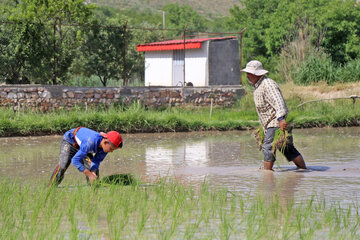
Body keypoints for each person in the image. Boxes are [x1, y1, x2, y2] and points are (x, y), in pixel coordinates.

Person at [241, 60, 307, 171]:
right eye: (247, 73)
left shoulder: (268, 84)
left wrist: (281, 119)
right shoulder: (258, 86)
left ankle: (267, 174)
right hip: (269, 123)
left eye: (250, 73)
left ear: (258, 74)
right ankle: (303, 170)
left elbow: (278, 101)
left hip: (275, 121)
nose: (247, 76)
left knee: (268, 146)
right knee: (286, 148)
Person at [49, 127, 123, 186]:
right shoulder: (90, 142)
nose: (111, 151)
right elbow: (75, 160)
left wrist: (93, 172)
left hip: (84, 148)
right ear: (106, 142)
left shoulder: (105, 148)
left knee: (92, 168)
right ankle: (51, 187)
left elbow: (96, 161)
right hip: (70, 142)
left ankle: (93, 191)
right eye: (111, 149)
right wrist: (89, 174)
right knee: (63, 165)